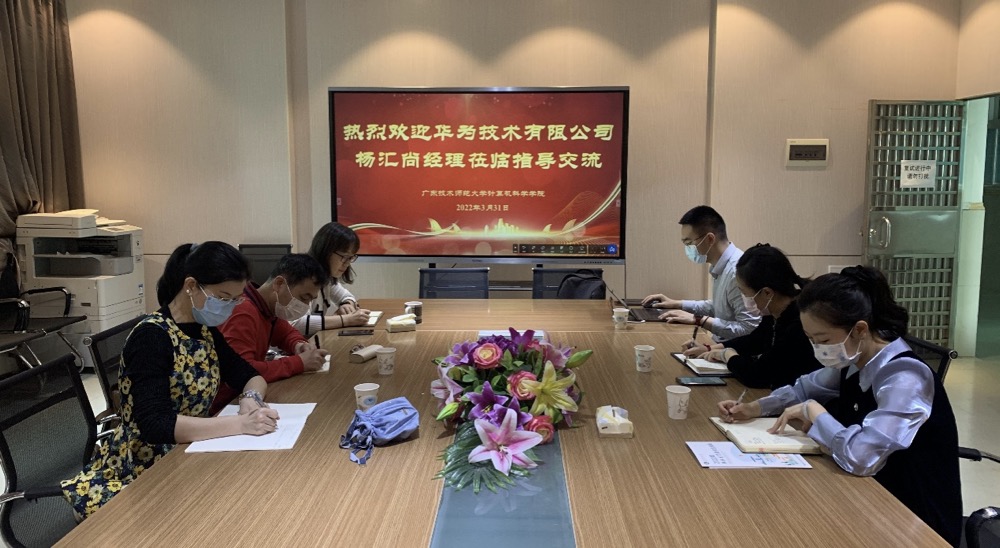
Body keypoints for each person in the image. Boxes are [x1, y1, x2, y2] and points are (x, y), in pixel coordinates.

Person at [717, 266, 962, 545]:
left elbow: (861, 457)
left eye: (822, 340)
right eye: (811, 340)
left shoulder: (905, 377)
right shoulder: (856, 358)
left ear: (859, 330)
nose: (817, 349)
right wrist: (754, 408)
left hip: (913, 519)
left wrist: (814, 412)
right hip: (865, 497)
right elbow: (804, 389)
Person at [60, 242, 280, 520]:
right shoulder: (152, 337)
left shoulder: (205, 331)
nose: (229, 308)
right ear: (191, 286)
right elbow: (156, 425)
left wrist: (251, 398)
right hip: (140, 467)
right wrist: (240, 424)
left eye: (235, 300)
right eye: (224, 298)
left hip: (188, 451)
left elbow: (250, 375)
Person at [685, 244, 822, 389]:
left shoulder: (799, 322)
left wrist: (728, 356)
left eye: (745, 293)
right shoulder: (774, 311)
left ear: (767, 293)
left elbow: (757, 375)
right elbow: (755, 340)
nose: (744, 298)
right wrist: (711, 348)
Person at [213, 253, 331, 413]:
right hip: (226, 406)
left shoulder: (267, 308)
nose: (305, 305)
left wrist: (298, 344)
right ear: (279, 284)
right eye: (304, 298)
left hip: (249, 396)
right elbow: (243, 371)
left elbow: (286, 334)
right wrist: (299, 363)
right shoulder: (243, 311)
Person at [642, 205, 759, 342]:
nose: (687, 249)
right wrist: (677, 304)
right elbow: (718, 308)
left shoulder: (736, 271)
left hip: (733, 351)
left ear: (710, 239)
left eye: (689, 243)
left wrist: (698, 320)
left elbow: (749, 329)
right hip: (719, 347)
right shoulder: (720, 265)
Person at [290, 222, 371, 336]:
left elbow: (345, 296)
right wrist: (346, 320)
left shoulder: (326, 277)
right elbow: (297, 323)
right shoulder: (302, 277)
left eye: (351, 258)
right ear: (326, 251)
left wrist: (347, 304)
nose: (347, 263)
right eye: (344, 257)